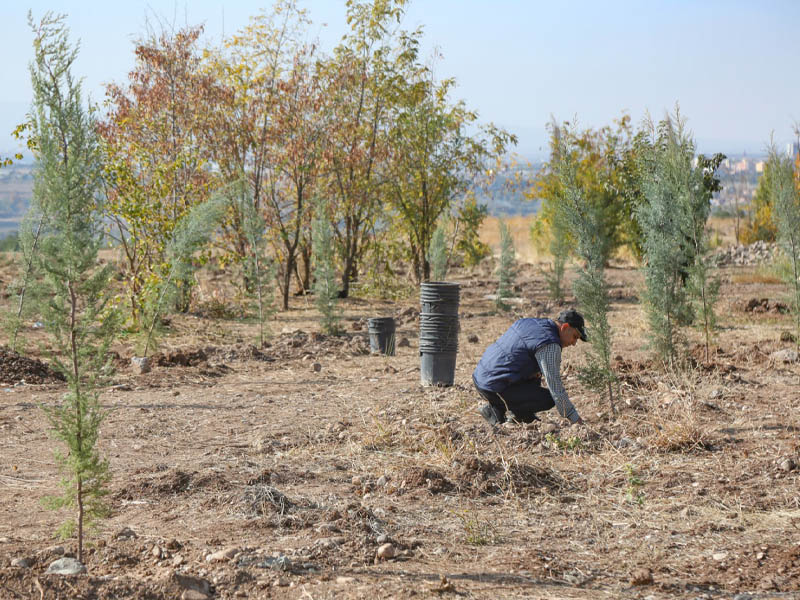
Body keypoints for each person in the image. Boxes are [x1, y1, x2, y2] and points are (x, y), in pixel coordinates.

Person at [472, 309, 587, 426]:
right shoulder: (549, 344)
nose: (574, 343)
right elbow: (555, 387)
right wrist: (574, 418)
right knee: (548, 399)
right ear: (565, 327)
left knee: (535, 375)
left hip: (480, 378)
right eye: (575, 336)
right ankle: (498, 411)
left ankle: (518, 414)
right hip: (493, 386)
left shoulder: (529, 322)